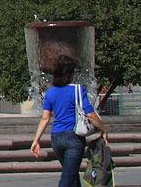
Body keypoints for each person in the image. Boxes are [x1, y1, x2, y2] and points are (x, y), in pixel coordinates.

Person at [31, 54, 108, 187]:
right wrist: (104, 128)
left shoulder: (50, 92)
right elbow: (90, 115)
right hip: (74, 139)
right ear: (70, 73)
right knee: (67, 177)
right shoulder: (78, 90)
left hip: (56, 139)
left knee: (71, 174)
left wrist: (36, 140)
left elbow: (45, 118)